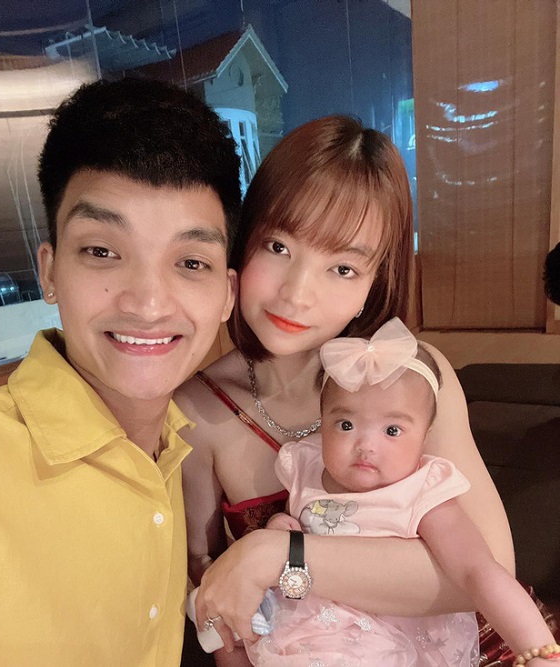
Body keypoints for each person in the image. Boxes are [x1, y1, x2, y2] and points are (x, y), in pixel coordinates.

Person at [173, 116, 517, 667]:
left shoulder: (412, 376)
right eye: (278, 246)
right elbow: (210, 591)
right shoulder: (197, 409)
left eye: (343, 268)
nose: (297, 294)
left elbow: (488, 573)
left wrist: (278, 554)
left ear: (374, 283)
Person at [0, 77, 240, 667]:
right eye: (102, 251)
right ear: (49, 272)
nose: (148, 304)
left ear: (227, 296)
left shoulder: (175, 452)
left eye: (191, 262)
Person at [244, 318, 560, 667]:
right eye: (346, 425)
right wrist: (281, 525)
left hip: (389, 641)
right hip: (304, 628)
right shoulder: (306, 468)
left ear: (424, 437)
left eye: (392, 430)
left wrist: (539, 650)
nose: (366, 445)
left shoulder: (420, 493)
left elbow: (479, 570)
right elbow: (297, 526)